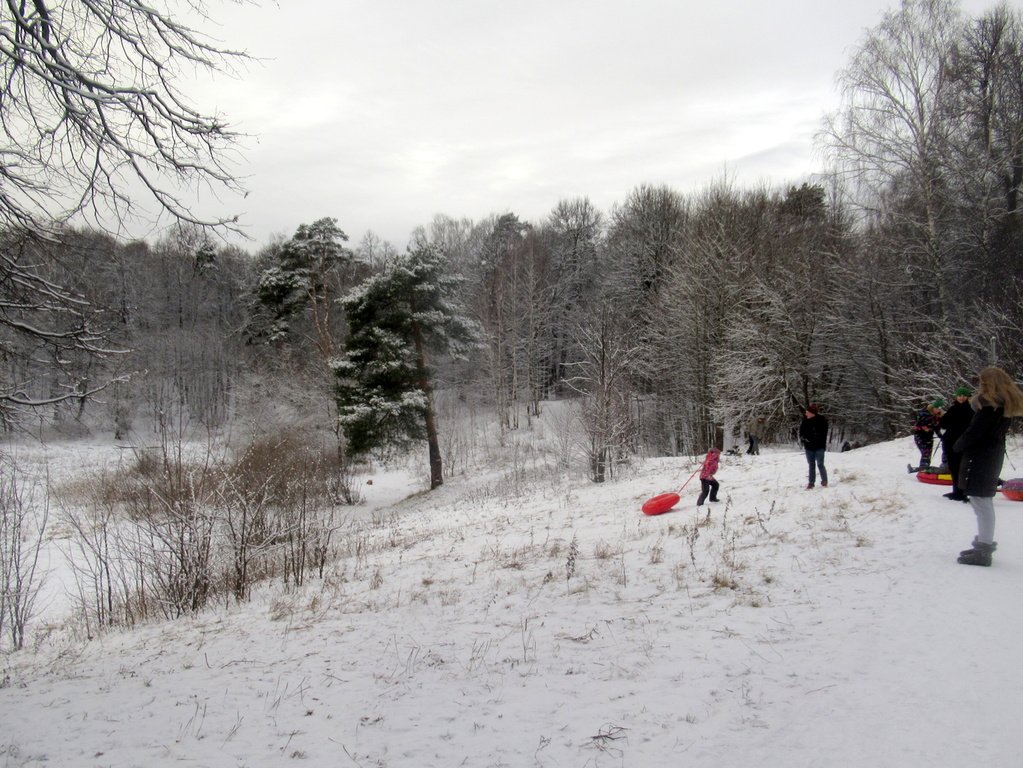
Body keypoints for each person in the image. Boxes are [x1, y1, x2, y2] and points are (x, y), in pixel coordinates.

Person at [953, 366, 1023, 567]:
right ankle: (983, 545)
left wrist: (958, 446)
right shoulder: (1002, 405)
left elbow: (975, 432)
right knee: (981, 501)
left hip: (982, 456)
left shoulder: (991, 406)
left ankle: (983, 550)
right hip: (990, 454)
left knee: (981, 501)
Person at [939, 386, 973, 501]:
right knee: (953, 467)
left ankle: (963, 492)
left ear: (968, 397)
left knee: (962, 467)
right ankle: (956, 491)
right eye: (959, 395)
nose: (961, 398)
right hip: (950, 442)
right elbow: (943, 424)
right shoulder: (953, 408)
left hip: (963, 442)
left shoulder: (971, 410)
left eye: (964, 396)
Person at [798, 403, 829, 489]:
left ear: (812, 413)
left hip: (819, 447)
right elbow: (801, 431)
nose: (806, 413)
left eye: (807, 412)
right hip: (808, 447)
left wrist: (812, 437)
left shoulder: (821, 420)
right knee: (811, 465)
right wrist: (803, 438)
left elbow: (823, 434)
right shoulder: (805, 420)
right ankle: (811, 483)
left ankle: (824, 480)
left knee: (820, 464)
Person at [911, 399, 943, 470]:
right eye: (936, 408)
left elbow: (937, 428)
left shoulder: (937, 417)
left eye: (939, 409)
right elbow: (917, 425)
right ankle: (923, 468)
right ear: (932, 407)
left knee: (928, 454)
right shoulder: (924, 414)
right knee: (925, 452)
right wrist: (924, 427)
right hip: (920, 436)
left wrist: (941, 436)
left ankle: (925, 467)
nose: (938, 410)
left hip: (929, 437)